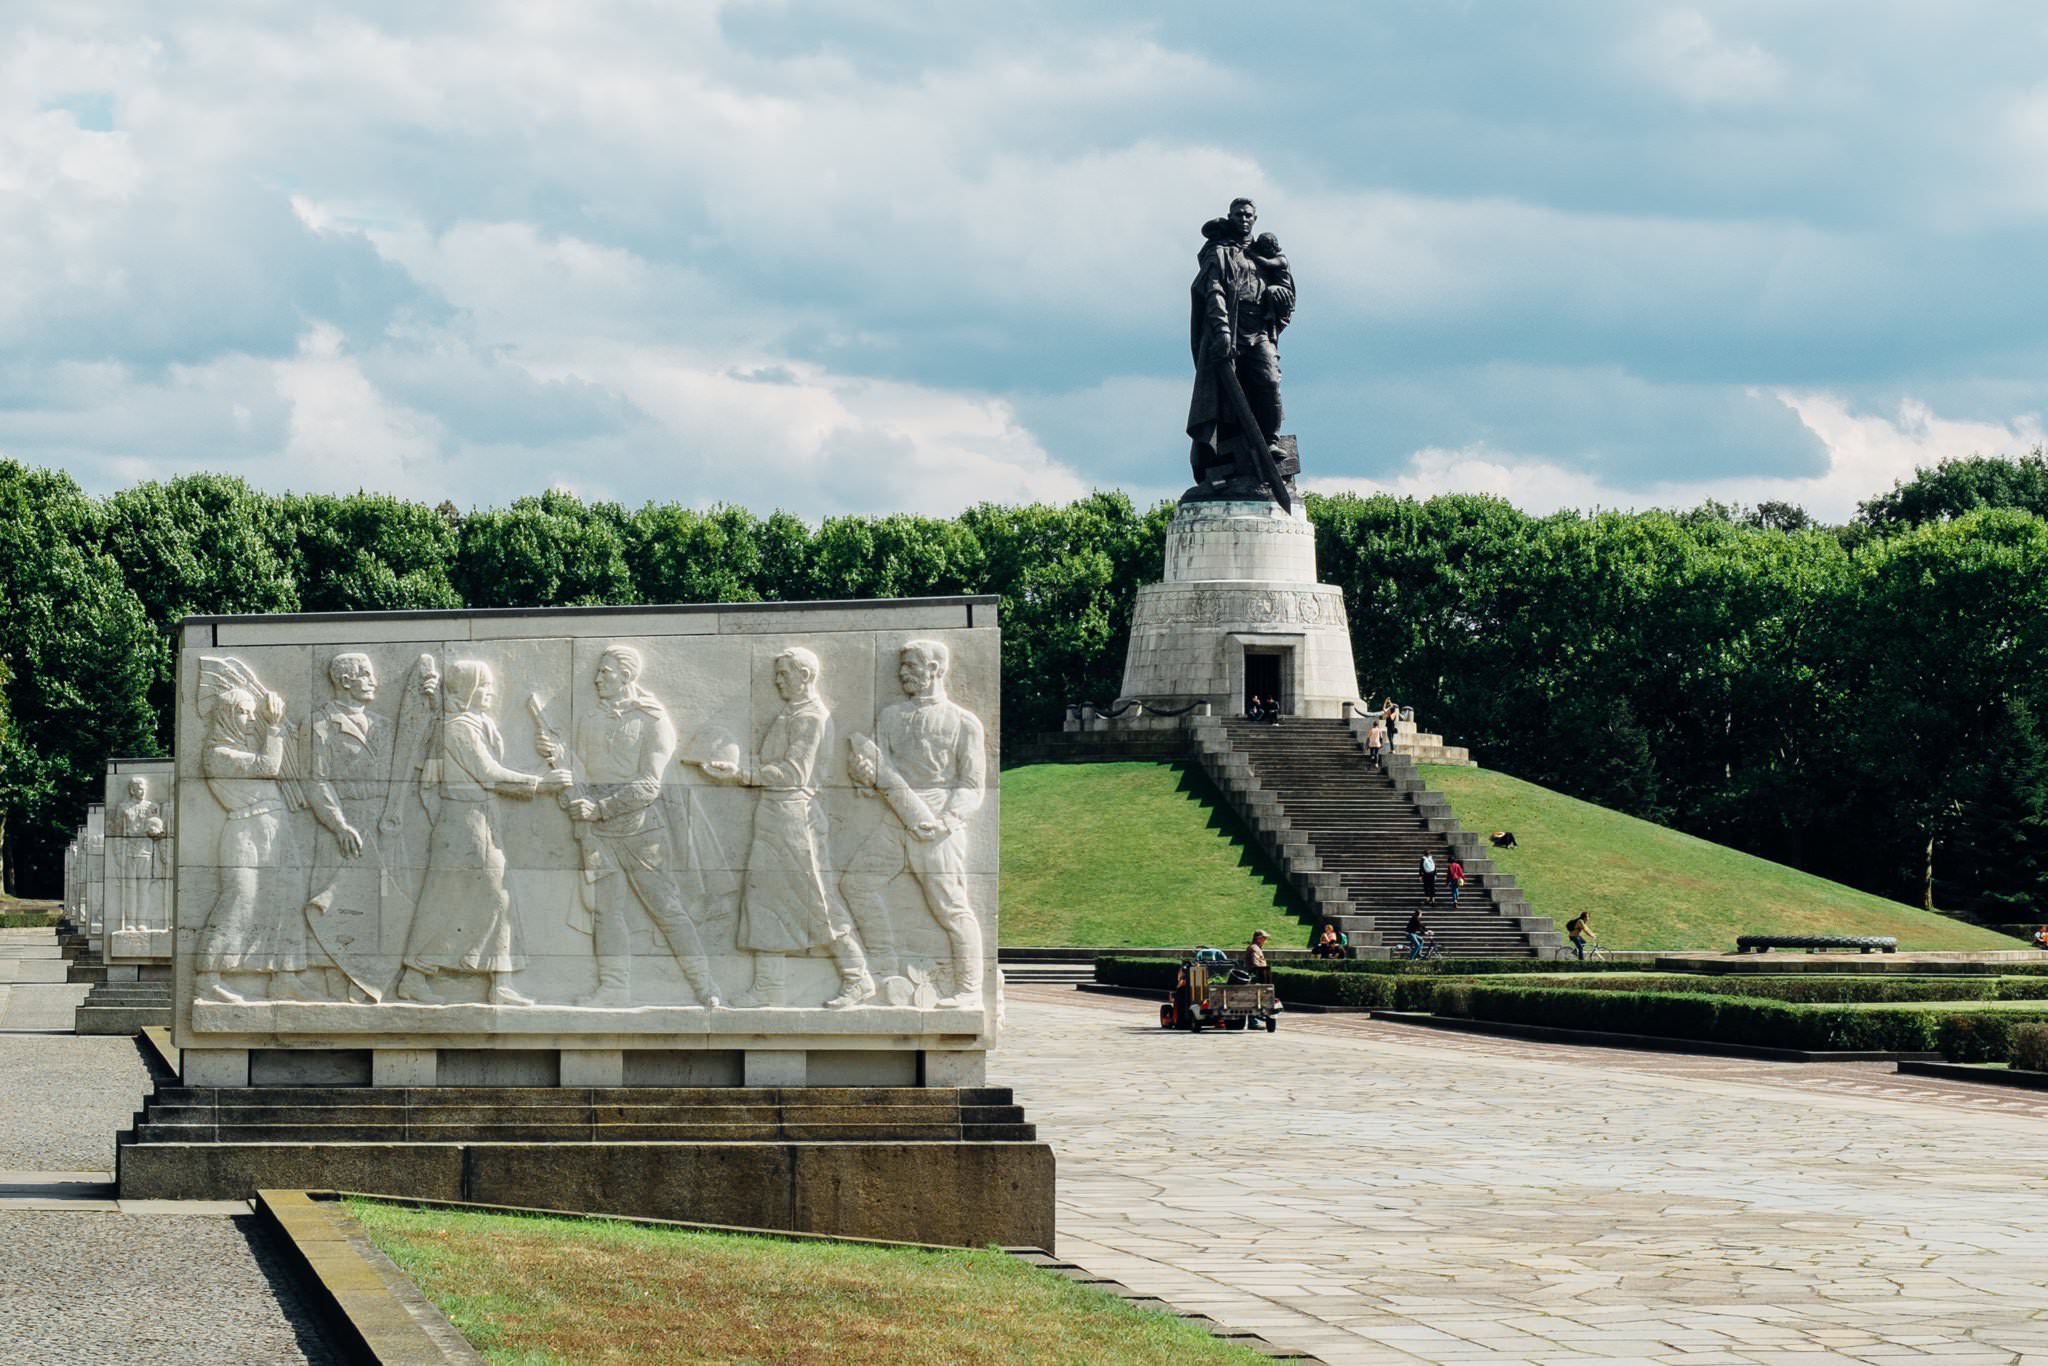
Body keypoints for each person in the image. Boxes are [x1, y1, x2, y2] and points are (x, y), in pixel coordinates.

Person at [693, 646, 873, 1009]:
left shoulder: (811, 717)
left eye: (784, 674)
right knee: (764, 900)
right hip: (773, 815)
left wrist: (741, 774)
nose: (777, 680)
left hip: (795, 818)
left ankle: (858, 978)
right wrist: (735, 765)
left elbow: (793, 774)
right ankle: (768, 987)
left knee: (818, 902)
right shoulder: (788, 715)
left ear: (805, 676)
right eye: (777, 674)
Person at [397, 660, 571, 1007]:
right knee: (474, 897)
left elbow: (498, 767)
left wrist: (549, 757)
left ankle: (494, 982)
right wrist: (541, 784)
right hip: (462, 821)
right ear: (467, 689)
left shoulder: (479, 724)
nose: (491, 691)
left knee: (488, 898)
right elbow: (488, 772)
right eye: (484, 685)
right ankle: (418, 976)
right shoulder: (456, 727)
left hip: (481, 819)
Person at [841, 640, 988, 1009]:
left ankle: (969, 990)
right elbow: (874, 770)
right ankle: (887, 970)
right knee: (856, 884)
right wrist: (862, 773)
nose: (903, 673)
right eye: (901, 666)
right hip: (894, 822)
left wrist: (947, 822)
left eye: (910, 665)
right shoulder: (890, 716)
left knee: (951, 908)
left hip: (936, 825)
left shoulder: (963, 722)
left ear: (936, 668)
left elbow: (972, 785)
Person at [1186, 197, 1295, 491]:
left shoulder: (1265, 253)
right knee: (1226, 399)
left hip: (1258, 329)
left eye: (1248, 215)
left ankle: (1270, 443)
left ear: (1255, 219)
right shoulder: (1219, 253)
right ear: (1230, 217)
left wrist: (1277, 291)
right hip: (1229, 330)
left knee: (1269, 381)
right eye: (1238, 214)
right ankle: (1223, 464)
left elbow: (1286, 289)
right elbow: (1213, 291)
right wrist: (1222, 330)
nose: (1243, 219)